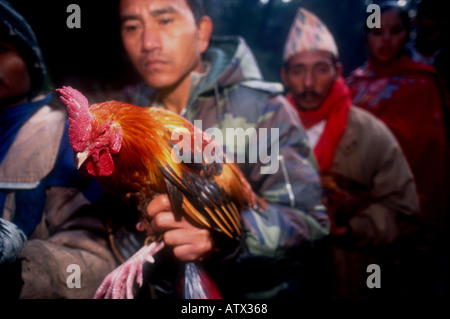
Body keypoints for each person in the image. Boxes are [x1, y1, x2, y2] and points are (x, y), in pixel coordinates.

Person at [106, 0, 328, 299]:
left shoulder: (265, 110)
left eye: (165, 20)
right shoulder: (120, 119)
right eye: (132, 26)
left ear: (202, 32)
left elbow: (309, 220)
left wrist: (229, 236)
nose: (148, 42)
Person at [280, 7, 420, 299]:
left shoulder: (370, 133)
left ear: (338, 71)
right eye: (297, 70)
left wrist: (351, 228)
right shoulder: (267, 129)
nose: (308, 82)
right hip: (283, 277)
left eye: (320, 68)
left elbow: (404, 214)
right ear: (284, 75)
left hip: (351, 275)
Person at [0, 1, 118, 298]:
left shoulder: (64, 138)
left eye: (1, 49)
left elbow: (100, 259)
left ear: (30, 62)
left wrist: (26, 270)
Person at [346, 2, 448, 298]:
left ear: (407, 34)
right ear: (366, 37)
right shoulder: (351, 85)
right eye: (377, 32)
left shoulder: (424, 83)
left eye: (395, 31)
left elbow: (434, 158)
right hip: (358, 220)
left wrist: (429, 225)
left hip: (409, 213)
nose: (386, 40)